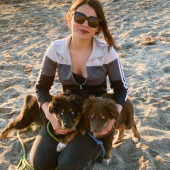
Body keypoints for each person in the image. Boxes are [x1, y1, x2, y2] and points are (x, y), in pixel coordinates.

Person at [30, 0, 128, 169]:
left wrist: (112, 120)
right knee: (40, 163)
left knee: (67, 165)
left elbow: (121, 89)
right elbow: (41, 88)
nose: (85, 24)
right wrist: (52, 118)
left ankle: (96, 148)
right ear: (70, 19)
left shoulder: (106, 52)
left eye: (92, 21)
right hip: (66, 112)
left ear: (98, 27)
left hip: (94, 117)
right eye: (79, 17)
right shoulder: (55, 49)